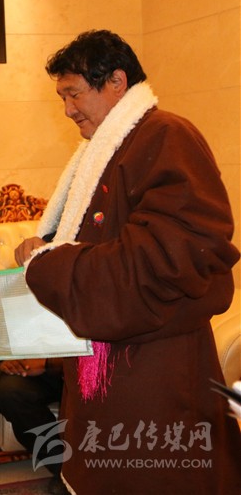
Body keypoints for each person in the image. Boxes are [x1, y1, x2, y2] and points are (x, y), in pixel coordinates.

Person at [15, 30, 241, 493]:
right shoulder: (108, 147)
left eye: (74, 94)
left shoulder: (167, 136)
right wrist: (48, 246)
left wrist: (48, 263)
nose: (68, 110)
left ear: (117, 82)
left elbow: (163, 259)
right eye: (62, 98)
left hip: (155, 372)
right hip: (102, 368)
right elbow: (98, 236)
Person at [0, 358, 64, 477]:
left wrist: (48, 363)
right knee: (11, 393)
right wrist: (5, 360)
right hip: (27, 367)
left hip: (82, 368)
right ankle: (61, 467)